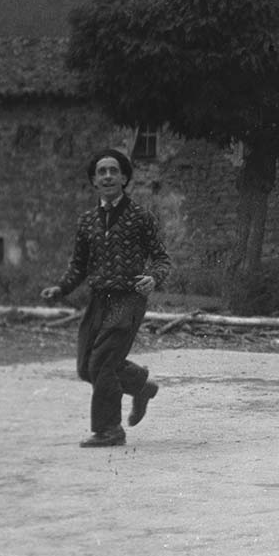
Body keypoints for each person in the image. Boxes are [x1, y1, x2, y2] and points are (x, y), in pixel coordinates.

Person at [41, 149, 171, 448]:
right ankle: (140, 386)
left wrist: (153, 277)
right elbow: (78, 266)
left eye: (114, 171)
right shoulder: (87, 221)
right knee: (86, 367)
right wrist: (60, 288)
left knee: (101, 362)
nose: (108, 176)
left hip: (128, 299)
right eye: (102, 172)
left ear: (124, 178)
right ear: (94, 181)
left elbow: (162, 259)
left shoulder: (140, 217)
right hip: (99, 300)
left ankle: (109, 430)